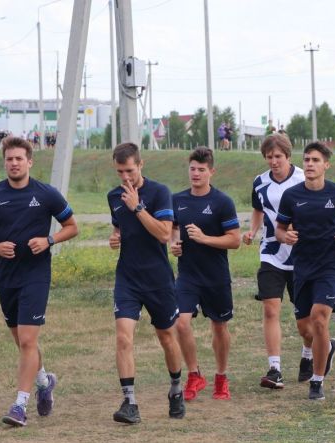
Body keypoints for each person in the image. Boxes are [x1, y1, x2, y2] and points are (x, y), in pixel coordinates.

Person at [0, 136, 78, 426]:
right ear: (4, 162)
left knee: (29, 339)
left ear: (30, 161)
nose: (14, 163)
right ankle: (44, 382)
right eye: (9, 159)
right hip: (6, 277)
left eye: (19, 158)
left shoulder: (46, 194)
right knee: (22, 342)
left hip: (36, 275)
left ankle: (19, 405)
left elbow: (72, 227)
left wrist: (49, 239)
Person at [107, 142, 185, 424]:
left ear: (141, 165)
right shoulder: (113, 196)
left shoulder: (159, 193)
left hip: (157, 279)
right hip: (127, 277)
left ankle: (176, 388)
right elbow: (119, 226)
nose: (125, 178)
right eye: (120, 172)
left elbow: (164, 234)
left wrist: (138, 207)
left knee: (166, 337)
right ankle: (130, 403)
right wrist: (115, 237)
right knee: (123, 337)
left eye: (130, 170)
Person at [170, 147, 241, 401]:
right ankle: (194, 374)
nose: (196, 174)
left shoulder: (222, 202)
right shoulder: (177, 199)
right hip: (188, 275)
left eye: (201, 169)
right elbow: (174, 229)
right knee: (181, 322)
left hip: (216, 276)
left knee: (219, 327)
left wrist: (204, 238)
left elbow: (235, 241)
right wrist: (174, 243)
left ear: (212, 171)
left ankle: (221, 377)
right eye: (192, 169)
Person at [275, 141, 335, 401]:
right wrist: (285, 236)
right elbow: (280, 229)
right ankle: (327, 347)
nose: (310, 164)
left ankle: (317, 380)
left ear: (326, 164)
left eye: (315, 160)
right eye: (307, 160)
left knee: (319, 318)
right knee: (306, 329)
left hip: (331, 266)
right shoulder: (292, 196)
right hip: (302, 267)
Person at [243, 134, 309, 389]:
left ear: (288, 156)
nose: (273, 161)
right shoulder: (259, 183)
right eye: (269, 157)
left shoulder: (303, 178)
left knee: (305, 322)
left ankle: (309, 354)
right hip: (271, 251)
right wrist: (253, 230)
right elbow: (258, 209)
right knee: (270, 308)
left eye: (278, 156)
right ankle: (275, 368)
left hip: (301, 254)